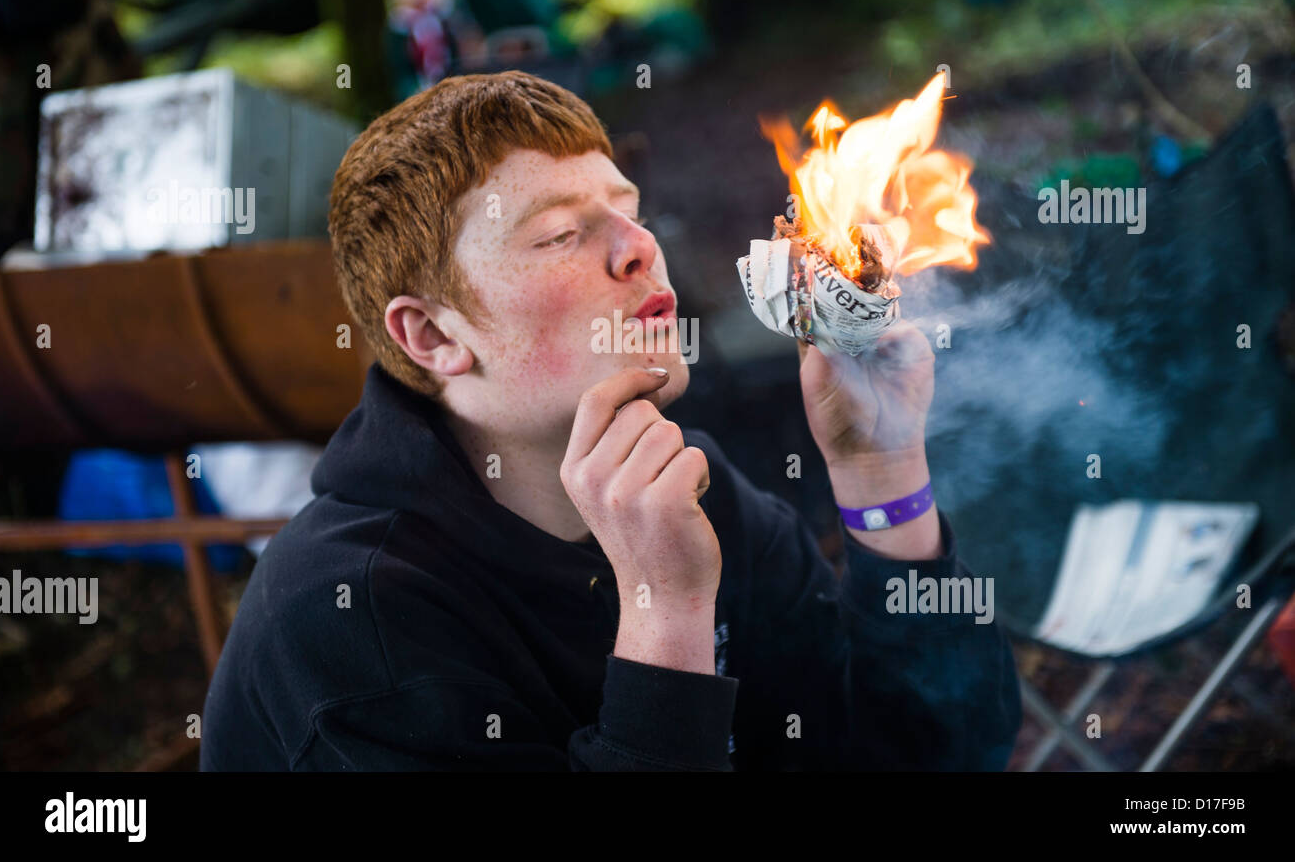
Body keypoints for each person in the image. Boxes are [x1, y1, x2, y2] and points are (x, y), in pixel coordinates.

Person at [200, 70, 1021, 771]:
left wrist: (882, 480)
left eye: (629, 209)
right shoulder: (345, 625)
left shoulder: (697, 490)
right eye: (560, 233)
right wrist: (664, 611)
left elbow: (931, 755)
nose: (639, 246)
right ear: (435, 335)